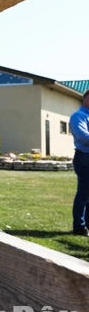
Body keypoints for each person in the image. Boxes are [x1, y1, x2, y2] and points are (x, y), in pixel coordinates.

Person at [69, 90, 89, 236]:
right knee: (84, 192)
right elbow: (83, 136)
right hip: (84, 157)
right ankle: (79, 226)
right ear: (86, 99)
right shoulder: (78, 116)